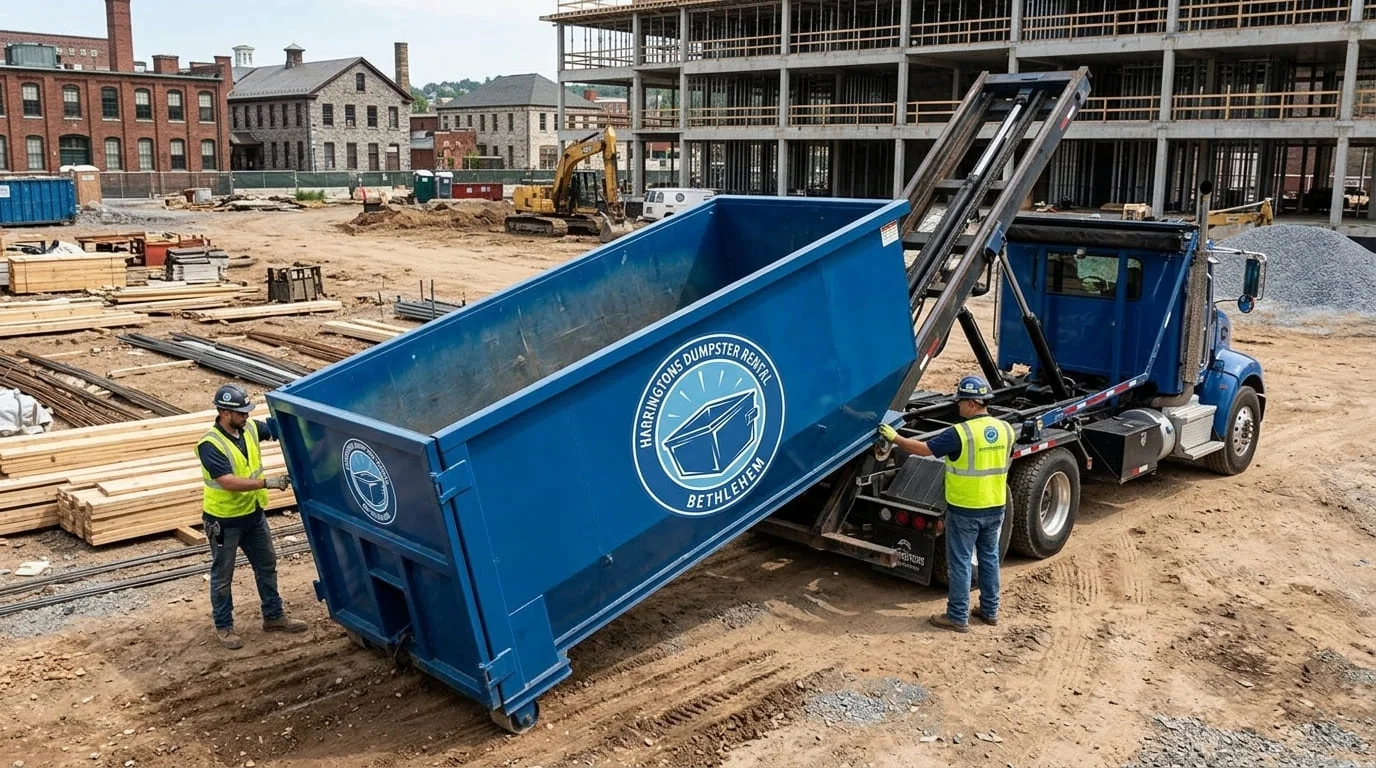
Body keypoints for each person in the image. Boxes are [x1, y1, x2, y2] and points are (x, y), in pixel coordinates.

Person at [877, 375, 1015, 633]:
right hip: (995, 506)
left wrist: (894, 437)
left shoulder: (961, 433)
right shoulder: (1006, 430)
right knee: (989, 558)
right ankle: (989, 611)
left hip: (965, 509)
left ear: (974, 403)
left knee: (961, 562)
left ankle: (957, 616)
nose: (958, 406)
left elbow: (922, 450)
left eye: (961, 401)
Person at [197, 383, 307, 649]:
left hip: (253, 516)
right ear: (225, 413)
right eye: (242, 412)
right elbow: (228, 481)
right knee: (223, 575)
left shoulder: (249, 429)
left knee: (267, 564)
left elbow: (274, 428)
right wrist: (268, 483)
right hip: (224, 521)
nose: (247, 416)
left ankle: (274, 615)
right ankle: (224, 627)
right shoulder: (210, 445)